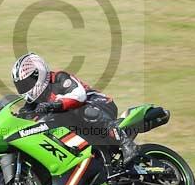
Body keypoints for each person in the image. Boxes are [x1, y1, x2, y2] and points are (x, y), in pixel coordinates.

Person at [10, 52, 138, 168]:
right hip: (81, 127)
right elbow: (23, 117)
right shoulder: (33, 101)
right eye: (21, 86)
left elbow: (79, 96)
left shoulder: (59, 78)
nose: (25, 89)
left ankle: (126, 143)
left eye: (26, 84)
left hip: (99, 104)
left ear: (39, 73)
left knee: (80, 109)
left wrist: (56, 105)